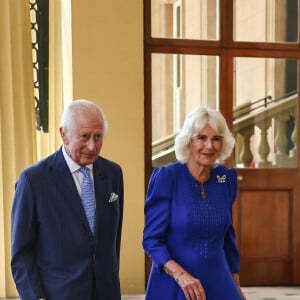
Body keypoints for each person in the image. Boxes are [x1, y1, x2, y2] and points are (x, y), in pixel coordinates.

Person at [11, 99, 124, 300]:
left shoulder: (113, 174)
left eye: (98, 137)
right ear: (64, 134)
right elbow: (21, 254)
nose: (92, 146)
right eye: (85, 136)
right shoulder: (33, 180)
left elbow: (112, 242)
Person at [142, 106, 246, 300]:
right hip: (176, 284)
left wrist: (236, 287)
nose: (210, 146)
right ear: (188, 141)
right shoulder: (167, 177)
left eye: (216, 139)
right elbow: (152, 240)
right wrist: (181, 276)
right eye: (201, 138)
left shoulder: (226, 178)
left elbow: (228, 239)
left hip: (220, 283)